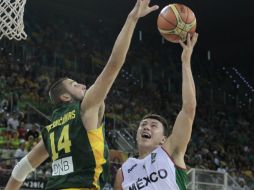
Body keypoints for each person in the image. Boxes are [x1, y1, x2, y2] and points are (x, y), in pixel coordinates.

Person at [4, 1, 159, 190]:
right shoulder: (86, 107)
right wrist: (132, 19)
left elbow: (20, 170)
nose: (82, 84)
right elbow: (114, 64)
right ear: (65, 97)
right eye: (74, 84)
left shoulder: (51, 130)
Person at [114, 33, 199, 190]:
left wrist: (186, 62)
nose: (146, 127)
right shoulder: (124, 171)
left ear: (163, 139)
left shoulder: (171, 151)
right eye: (143, 124)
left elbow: (189, 108)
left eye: (153, 126)